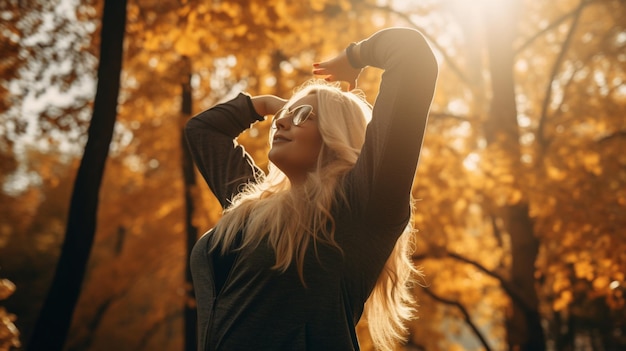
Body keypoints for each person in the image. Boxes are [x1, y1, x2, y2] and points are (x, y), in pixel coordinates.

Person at [185, 27, 438, 351]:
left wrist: (354, 56)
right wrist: (263, 106)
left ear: (336, 134)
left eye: (303, 115)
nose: (282, 122)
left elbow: (411, 54)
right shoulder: (252, 205)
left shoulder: (360, 203)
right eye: (283, 116)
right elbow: (202, 131)